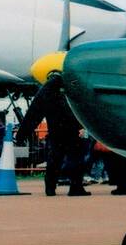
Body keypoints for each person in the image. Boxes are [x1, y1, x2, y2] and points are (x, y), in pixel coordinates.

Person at [15, 56, 91, 196]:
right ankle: (76, 187)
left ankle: (50, 188)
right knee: (76, 159)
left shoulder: (46, 91)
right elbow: (86, 107)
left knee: (54, 159)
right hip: (75, 131)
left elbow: (33, 115)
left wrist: (21, 135)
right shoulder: (72, 87)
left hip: (56, 132)